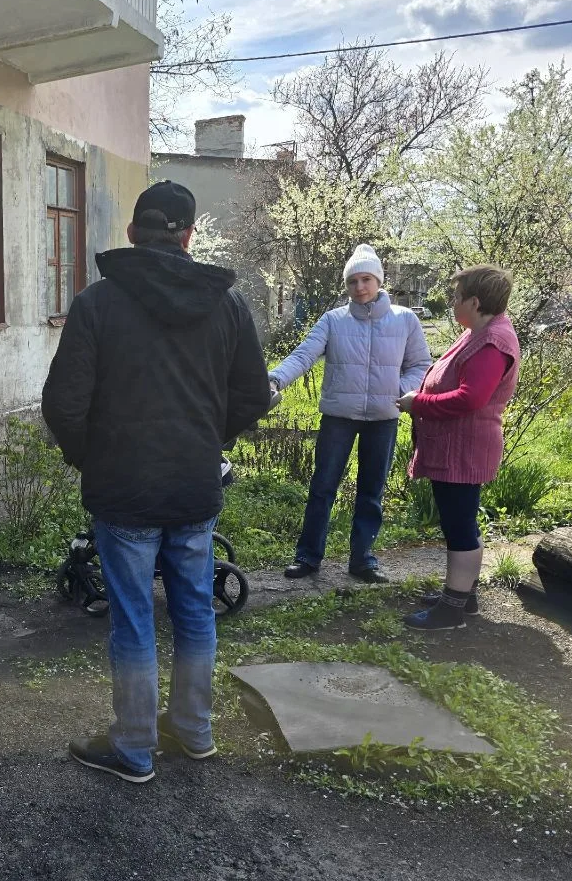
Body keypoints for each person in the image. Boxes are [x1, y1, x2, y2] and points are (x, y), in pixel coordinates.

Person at [42, 180, 271, 783]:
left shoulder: (97, 303)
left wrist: (93, 458)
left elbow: (63, 404)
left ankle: (134, 748)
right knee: (195, 610)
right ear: (189, 236)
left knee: (134, 617)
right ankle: (193, 731)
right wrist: (208, 440)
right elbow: (254, 394)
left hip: (124, 491)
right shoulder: (227, 305)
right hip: (194, 485)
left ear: (131, 233)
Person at [269, 244, 431, 583]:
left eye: (366, 279)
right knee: (322, 487)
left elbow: (420, 364)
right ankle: (308, 557)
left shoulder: (405, 319)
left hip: (384, 418)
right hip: (339, 418)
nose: (359, 287)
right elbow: (303, 355)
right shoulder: (333, 320)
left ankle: (363, 560)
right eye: (352, 281)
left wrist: (398, 390)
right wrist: (274, 379)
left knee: (372, 491)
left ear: (379, 280)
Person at [398, 265, 520, 630]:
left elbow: (471, 398)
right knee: (459, 522)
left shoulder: (492, 342)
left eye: (457, 296)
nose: (452, 302)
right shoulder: (479, 333)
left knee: (459, 526)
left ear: (475, 302)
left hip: (463, 450)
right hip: (455, 447)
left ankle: (451, 611)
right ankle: (464, 596)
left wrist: (418, 403)